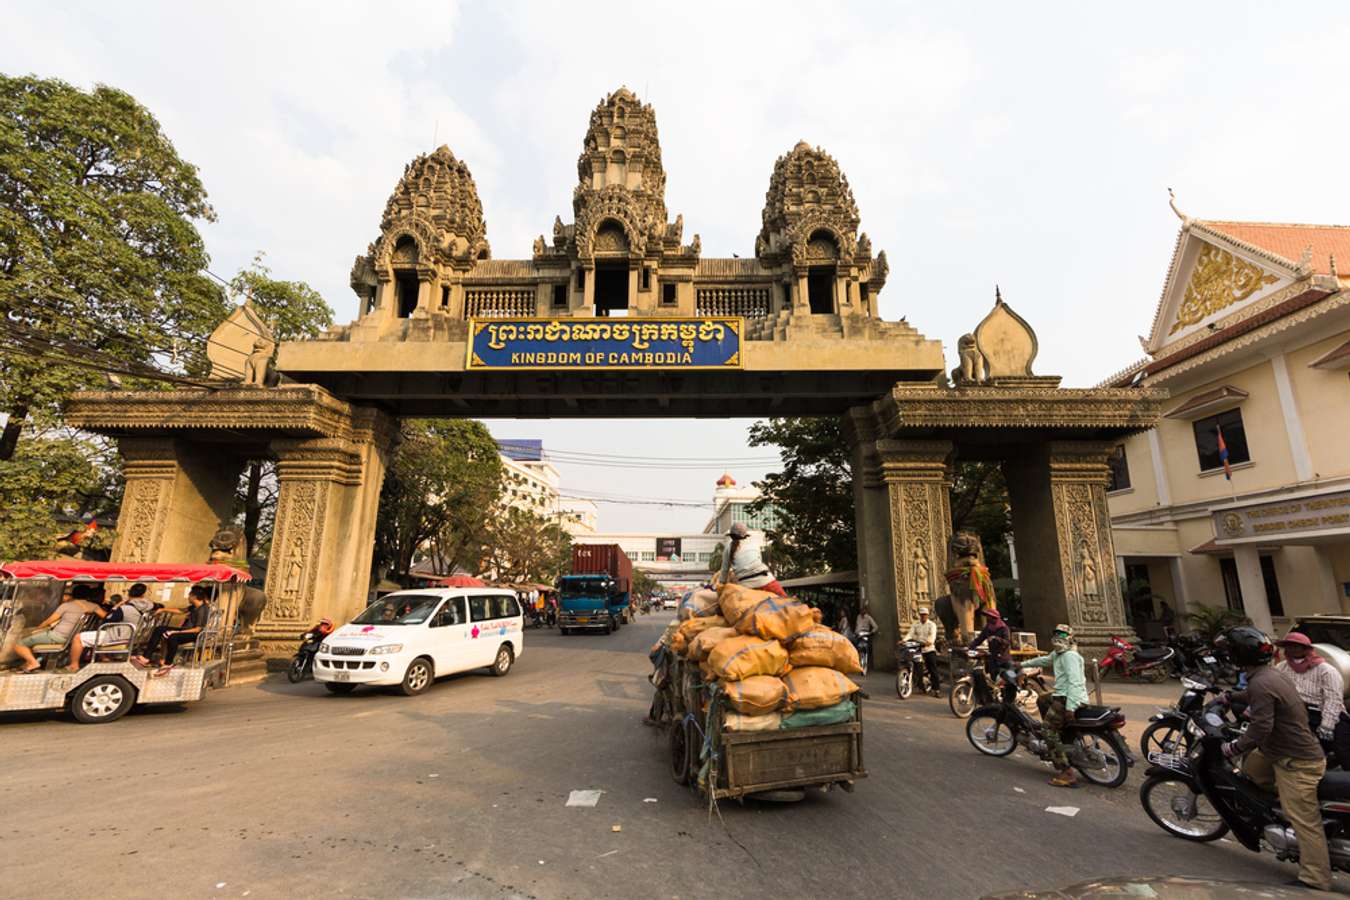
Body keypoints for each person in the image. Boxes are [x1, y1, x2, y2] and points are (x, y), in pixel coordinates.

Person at [1219, 625, 1331, 891]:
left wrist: (1232, 748)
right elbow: (1256, 695)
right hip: (1275, 752)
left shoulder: (1262, 681)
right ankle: (1274, 815)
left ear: (1238, 655)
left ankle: (1315, 878)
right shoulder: (1269, 675)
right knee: (1252, 770)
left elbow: (1260, 728)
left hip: (1297, 761)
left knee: (1304, 819)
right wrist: (1229, 696)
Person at [1019, 624, 1089, 787]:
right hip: (1061, 695)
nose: (1059, 637)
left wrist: (1071, 706)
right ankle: (1059, 733)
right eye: (1056, 633)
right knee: (1042, 699)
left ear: (1070, 638)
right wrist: (1022, 665)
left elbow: (1075, 682)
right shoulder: (1058, 653)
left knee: (1047, 731)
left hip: (1069, 698)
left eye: (1063, 634)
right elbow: (1044, 660)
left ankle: (1066, 772)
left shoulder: (1070, 656)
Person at [1275, 631, 1350, 770]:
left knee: (1343, 746)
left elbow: (1333, 698)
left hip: (1324, 712)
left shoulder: (1325, 670)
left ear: (1306, 649)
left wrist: (1327, 725)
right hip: (1295, 712)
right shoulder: (1281, 668)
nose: (1292, 649)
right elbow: (1271, 690)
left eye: (1296, 646)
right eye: (1289, 646)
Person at [11, 585, 106, 673]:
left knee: (19, 644)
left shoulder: (66, 605)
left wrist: (37, 628)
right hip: (74, 637)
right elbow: (106, 616)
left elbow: (49, 621)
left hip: (58, 636)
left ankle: (33, 663)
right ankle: (33, 661)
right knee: (34, 639)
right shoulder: (94, 606)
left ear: (73, 594)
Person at [67, 582, 157, 673]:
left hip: (117, 637)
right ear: (143, 595)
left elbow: (107, 620)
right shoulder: (150, 607)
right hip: (131, 636)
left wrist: (116, 606)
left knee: (78, 638)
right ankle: (105, 659)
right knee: (97, 635)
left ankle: (73, 665)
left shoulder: (125, 608)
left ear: (129, 594)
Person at [135, 586, 211, 673]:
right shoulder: (194, 607)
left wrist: (177, 631)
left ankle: (168, 663)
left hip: (195, 634)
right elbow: (181, 611)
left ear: (194, 596)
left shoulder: (203, 610)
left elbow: (197, 630)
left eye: (189, 595)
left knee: (173, 636)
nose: (188, 597)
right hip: (186, 630)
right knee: (160, 629)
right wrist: (163, 609)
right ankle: (146, 657)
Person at [716, 522, 786, 597]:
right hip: (766, 580)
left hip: (746, 586)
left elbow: (724, 571)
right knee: (788, 602)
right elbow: (759, 561)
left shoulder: (728, 548)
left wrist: (721, 587)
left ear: (731, 536)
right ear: (746, 535)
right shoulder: (754, 543)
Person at [904, 607, 941, 695]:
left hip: (929, 648)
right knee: (917, 666)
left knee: (933, 669)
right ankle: (919, 684)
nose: (923, 616)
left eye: (925, 615)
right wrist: (904, 640)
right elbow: (910, 633)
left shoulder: (932, 625)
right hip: (918, 648)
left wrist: (929, 642)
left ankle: (937, 690)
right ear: (919, 615)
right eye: (921, 615)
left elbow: (932, 636)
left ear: (927, 615)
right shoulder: (916, 624)